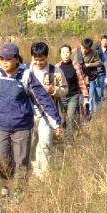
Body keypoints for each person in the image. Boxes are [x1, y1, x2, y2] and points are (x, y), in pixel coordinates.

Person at [0, 43, 61, 199]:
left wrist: (54, 121)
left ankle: (19, 193)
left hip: (22, 126)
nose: (4, 62)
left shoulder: (26, 75)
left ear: (16, 59)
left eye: (8, 59)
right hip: (1, 125)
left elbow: (42, 99)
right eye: (1, 59)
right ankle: (6, 184)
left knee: (21, 161)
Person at [29, 42, 67, 179]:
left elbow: (65, 90)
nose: (39, 63)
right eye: (36, 59)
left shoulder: (55, 71)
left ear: (47, 57)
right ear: (32, 57)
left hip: (48, 113)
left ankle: (44, 176)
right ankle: (32, 170)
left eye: (42, 59)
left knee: (45, 143)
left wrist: (54, 90)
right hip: (29, 113)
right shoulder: (26, 71)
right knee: (30, 144)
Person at [57, 45, 89, 142]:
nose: (65, 54)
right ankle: (62, 138)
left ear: (71, 53)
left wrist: (85, 96)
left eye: (67, 52)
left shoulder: (76, 65)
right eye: (63, 52)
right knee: (62, 120)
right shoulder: (57, 67)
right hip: (61, 97)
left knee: (70, 118)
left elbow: (81, 81)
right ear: (60, 54)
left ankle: (69, 141)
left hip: (73, 96)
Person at [75, 39, 105, 114]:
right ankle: (80, 113)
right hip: (77, 77)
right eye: (83, 48)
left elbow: (99, 62)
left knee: (88, 95)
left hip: (89, 77)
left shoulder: (94, 53)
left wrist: (89, 65)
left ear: (90, 48)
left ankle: (88, 112)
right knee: (78, 97)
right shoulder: (76, 51)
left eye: (86, 49)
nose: (84, 50)